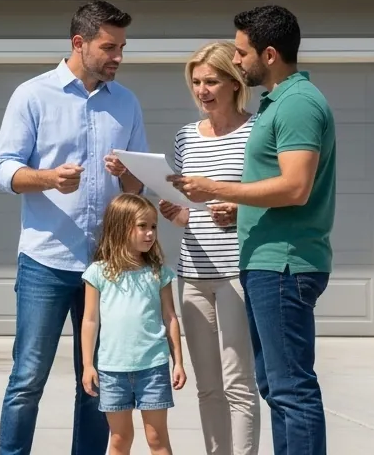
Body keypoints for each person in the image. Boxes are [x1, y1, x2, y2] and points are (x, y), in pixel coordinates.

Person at [169, 5, 336, 455]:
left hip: (283, 260)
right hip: (264, 261)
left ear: (268, 54)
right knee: (276, 387)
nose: (237, 62)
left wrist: (214, 189)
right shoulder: (279, 104)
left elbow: (296, 187)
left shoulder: (297, 104)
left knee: (289, 388)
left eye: (241, 53)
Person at [0, 0, 149, 455]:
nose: (118, 56)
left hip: (107, 269)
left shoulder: (127, 102)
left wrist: (127, 171)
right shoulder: (32, 95)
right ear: (78, 44)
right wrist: (48, 179)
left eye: (122, 47)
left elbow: (138, 184)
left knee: (97, 383)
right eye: (109, 47)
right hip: (46, 261)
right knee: (27, 379)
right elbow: (4, 170)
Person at [159, 41, 260, 455]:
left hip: (237, 273)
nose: (202, 90)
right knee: (208, 387)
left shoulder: (256, 132)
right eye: (196, 82)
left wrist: (239, 211)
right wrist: (174, 212)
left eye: (211, 81)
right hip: (193, 275)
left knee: (239, 384)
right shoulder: (186, 137)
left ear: (234, 83)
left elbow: (266, 197)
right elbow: (189, 213)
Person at [80, 193, 186, 455]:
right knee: (119, 438)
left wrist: (179, 362)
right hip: (112, 370)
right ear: (120, 227)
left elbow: (170, 317)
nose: (150, 233)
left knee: (156, 438)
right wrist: (87, 365)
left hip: (153, 367)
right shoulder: (98, 272)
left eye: (153, 227)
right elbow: (90, 320)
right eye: (142, 226)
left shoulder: (158, 272)